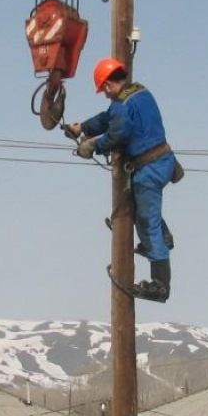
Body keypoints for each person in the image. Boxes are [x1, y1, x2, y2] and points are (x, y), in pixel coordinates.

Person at [67, 57, 178, 303]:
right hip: (162, 160)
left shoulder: (120, 104)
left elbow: (118, 132)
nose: (105, 94)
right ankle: (164, 239)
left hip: (148, 168)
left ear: (108, 85)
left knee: (148, 223)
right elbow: (109, 118)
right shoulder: (139, 92)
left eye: (104, 90)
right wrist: (83, 128)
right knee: (145, 211)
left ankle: (160, 285)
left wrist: (93, 144)